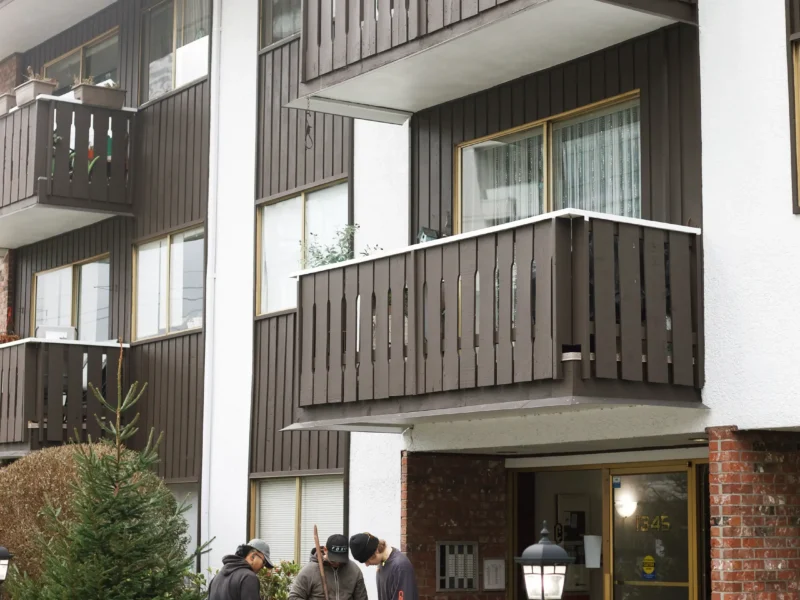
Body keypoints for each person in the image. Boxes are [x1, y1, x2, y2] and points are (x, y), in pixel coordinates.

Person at [290, 534, 368, 600]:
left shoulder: (354, 570)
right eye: (334, 560)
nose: (337, 563)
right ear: (325, 550)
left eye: (340, 560)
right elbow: (294, 597)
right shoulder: (309, 571)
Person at [349, 533, 418, 600]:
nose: (367, 565)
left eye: (367, 560)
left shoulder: (400, 567)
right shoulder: (382, 563)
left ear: (375, 552)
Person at [209, 539, 274, 600]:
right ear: (253, 557)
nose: (263, 567)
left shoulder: (216, 578)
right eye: (264, 562)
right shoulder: (248, 577)